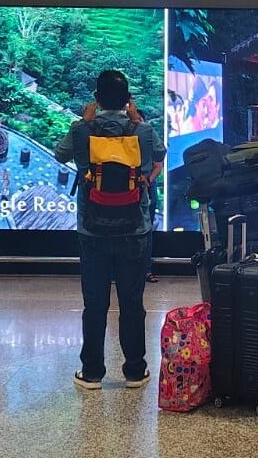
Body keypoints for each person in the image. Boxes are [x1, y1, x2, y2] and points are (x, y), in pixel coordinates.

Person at [56, 70, 164, 391]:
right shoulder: (142, 131)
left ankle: (92, 373)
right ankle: (135, 371)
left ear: (96, 99)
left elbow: (60, 154)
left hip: (93, 232)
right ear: (128, 99)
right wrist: (137, 119)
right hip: (135, 229)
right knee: (132, 302)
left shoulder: (82, 131)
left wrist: (83, 121)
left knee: (94, 303)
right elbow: (159, 155)